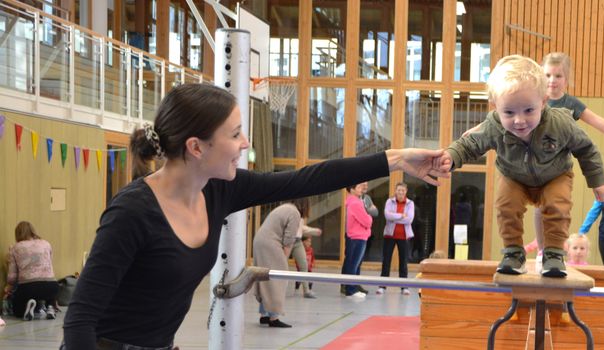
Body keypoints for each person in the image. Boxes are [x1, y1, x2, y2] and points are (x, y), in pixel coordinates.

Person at [62, 83, 450, 349]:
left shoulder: (218, 189)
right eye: (235, 134)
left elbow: (306, 179)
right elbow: (79, 319)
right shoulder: (133, 211)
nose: (245, 143)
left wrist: (396, 159)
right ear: (196, 147)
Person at [441, 54, 604, 278]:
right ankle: (513, 252)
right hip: (514, 177)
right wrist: (451, 156)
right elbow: (470, 144)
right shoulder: (494, 126)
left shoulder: (559, 123)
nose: (519, 120)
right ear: (495, 107)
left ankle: (554, 254)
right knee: (505, 205)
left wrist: (598, 181)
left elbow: (586, 148)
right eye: (509, 113)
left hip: (555, 175)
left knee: (558, 206)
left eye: (529, 111)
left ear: (543, 101)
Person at [463, 52, 604, 255]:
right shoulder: (528, 98)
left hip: (553, 166)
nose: (552, 81)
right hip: (527, 165)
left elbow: (596, 120)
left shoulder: (570, 104)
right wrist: (476, 130)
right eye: (547, 75)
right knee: (517, 206)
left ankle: (548, 249)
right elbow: (497, 119)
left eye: (558, 76)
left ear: (566, 79)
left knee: (551, 205)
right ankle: (541, 248)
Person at [253, 199, 310, 328]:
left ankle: (264, 315)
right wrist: (283, 260)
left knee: (265, 278)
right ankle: (274, 317)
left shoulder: (285, 207)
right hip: (270, 243)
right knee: (278, 279)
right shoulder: (294, 213)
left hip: (260, 241)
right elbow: (289, 240)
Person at [6, 221, 58, 320]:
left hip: (28, 287)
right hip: (52, 286)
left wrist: (9, 286)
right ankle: (50, 307)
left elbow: (12, 276)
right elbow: (49, 264)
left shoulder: (15, 248)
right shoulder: (46, 243)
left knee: (17, 309)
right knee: (46, 287)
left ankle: (27, 307)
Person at [378, 182, 415, 295]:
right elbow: (387, 216)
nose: (400, 192)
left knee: (403, 262)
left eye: (403, 190)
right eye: (399, 190)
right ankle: (382, 286)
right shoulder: (389, 201)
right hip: (390, 235)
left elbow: (409, 220)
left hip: (404, 236)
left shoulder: (410, 203)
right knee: (386, 261)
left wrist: (394, 216)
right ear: (395, 191)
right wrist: (401, 215)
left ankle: (404, 287)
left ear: (406, 191)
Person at [342, 182, 372, 298]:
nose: (361, 189)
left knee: (353, 263)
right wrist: (369, 216)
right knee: (354, 264)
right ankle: (351, 290)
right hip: (358, 237)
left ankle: (352, 288)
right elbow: (367, 221)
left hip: (356, 236)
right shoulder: (355, 203)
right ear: (352, 189)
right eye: (358, 187)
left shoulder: (353, 201)